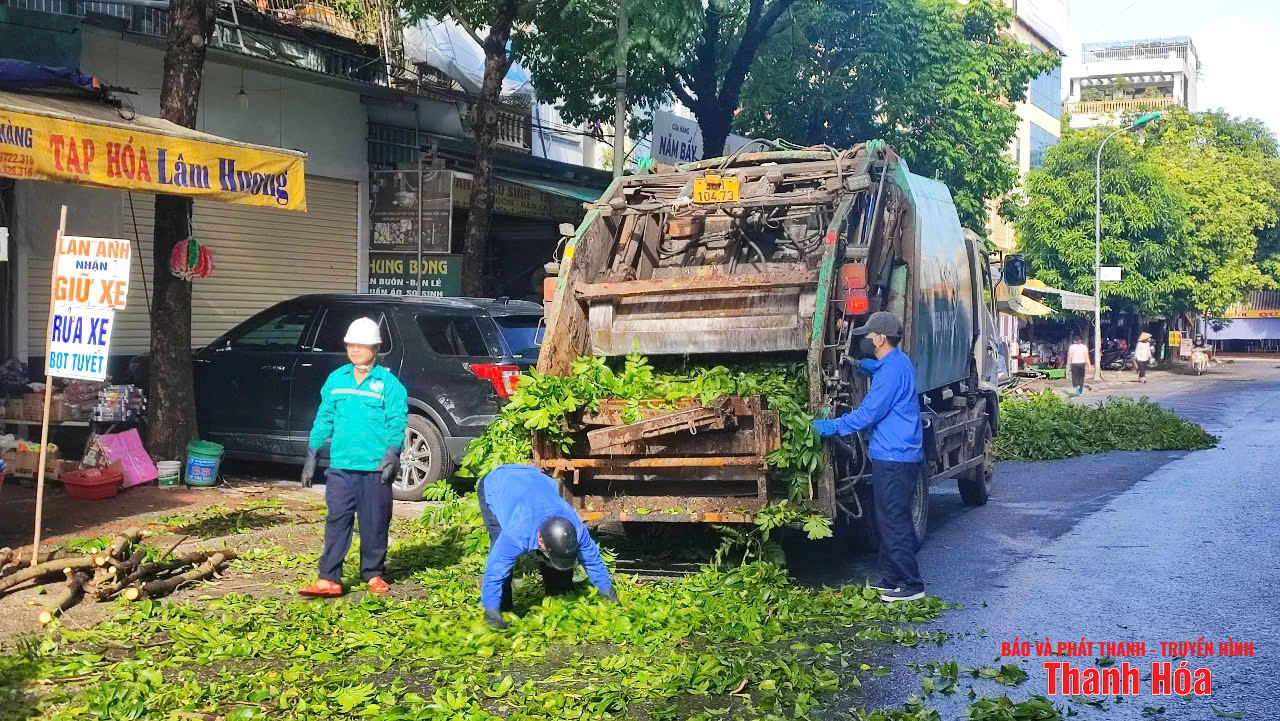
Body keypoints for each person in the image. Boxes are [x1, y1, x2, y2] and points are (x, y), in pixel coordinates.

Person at [811, 311, 926, 603]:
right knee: (885, 517)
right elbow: (885, 371)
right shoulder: (896, 362)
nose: (867, 338)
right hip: (897, 454)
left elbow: (867, 414)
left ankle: (911, 583)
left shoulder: (891, 372)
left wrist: (831, 427)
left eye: (870, 334)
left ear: (880, 338)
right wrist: (866, 366)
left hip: (895, 457)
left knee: (895, 520)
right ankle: (890, 577)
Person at [299, 318, 408, 598]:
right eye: (351, 344)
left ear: (376, 347)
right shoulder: (336, 379)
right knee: (337, 519)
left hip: (374, 468)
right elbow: (324, 418)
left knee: (374, 521)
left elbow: (397, 421)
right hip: (341, 467)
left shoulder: (388, 383)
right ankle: (328, 578)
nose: (355, 349)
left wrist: (391, 454)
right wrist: (312, 454)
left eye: (362, 344)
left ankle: (373, 574)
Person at [478, 464, 617, 629]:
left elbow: (591, 559)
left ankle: (558, 592)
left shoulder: (575, 528)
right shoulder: (517, 533)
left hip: (535, 479)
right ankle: (502, 607)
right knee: (499, 547)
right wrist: (490, 609)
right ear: (540, 541)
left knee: (560, 569)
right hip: (497, 485)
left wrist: (607, 592)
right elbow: (496, 568)